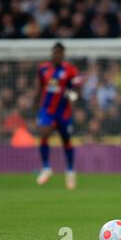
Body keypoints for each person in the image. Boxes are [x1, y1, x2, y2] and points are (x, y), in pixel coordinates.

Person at [35, 42, 81, 190]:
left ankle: (70, 171)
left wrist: (73, 96)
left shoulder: (70, 70)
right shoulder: (43, 69)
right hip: (47, 109)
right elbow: (40, 87)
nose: (57, 55)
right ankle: (46, 168)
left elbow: (77, 89)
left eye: (60, 53)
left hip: (63, 111)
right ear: (52, 53)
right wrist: (35, 104)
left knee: (66, 140)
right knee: (43, 133)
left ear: (63, 54)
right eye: (55, 52)